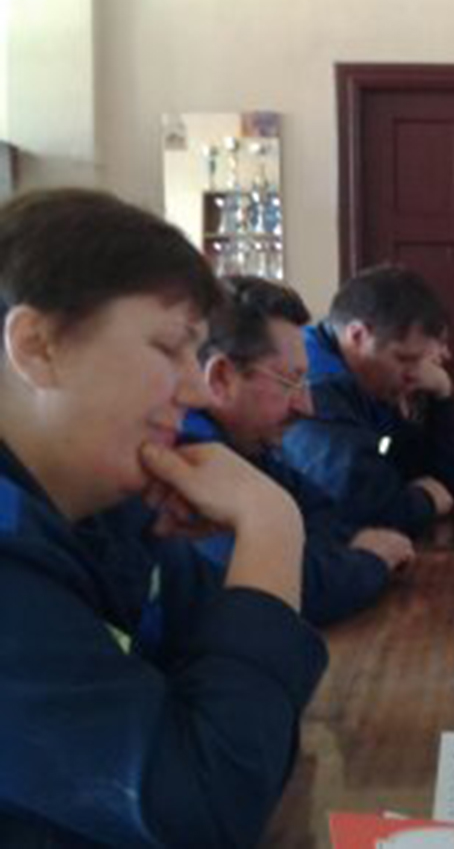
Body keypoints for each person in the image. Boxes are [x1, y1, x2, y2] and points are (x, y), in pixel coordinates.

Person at [0, 189, 326, 846]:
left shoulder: (111, 512)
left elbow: (252, 726)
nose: (198, 389)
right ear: (38, 347)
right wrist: (270, 528)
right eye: (170, 346)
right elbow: (210, 804)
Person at [189, 275, 415, 626]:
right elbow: (290, 591)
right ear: (221, 378)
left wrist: (347, 544)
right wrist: (372, 560)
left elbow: (319, 512)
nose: (306, 406)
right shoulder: (190, 456)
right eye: (290, 382)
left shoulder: (246, 445)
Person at [281, 265, 454, 534]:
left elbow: (436, 481)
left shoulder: (367, 382)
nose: (415, 373)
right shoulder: (318, 387)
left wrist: (442, 395)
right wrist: (425, 501)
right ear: (358, 336)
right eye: (405, 359)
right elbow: (368, 507)